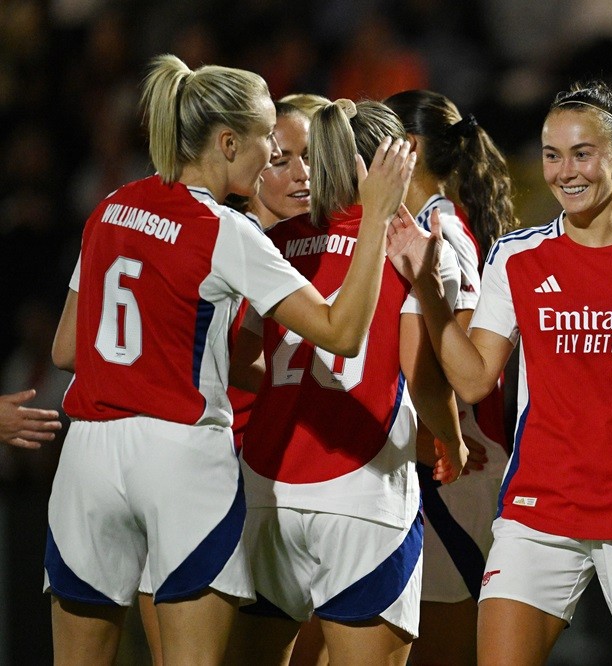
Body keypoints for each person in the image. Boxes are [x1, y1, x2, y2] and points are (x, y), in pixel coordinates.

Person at [45, 54, 421, 665]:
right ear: (226, 142)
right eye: (268, 136)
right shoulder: (226, 229)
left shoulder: (109, 205)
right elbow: (343, 332)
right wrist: (376, 215)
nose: (274, 149)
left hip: (86, 455)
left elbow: (67, 349)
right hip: (180, 454)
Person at [391, 80, 612, 665]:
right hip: (540, 509)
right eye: (552, 155)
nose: (565, 172)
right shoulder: (516, 255)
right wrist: (431, 295)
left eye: (582, 153)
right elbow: (475, 378)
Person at [224, 98, 469, 666]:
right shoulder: (416, 243)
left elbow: (242, 355)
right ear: (397, 163)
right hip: (363, 490)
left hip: (268, 487)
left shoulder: (277, 242)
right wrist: (451, 440)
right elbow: (421, 374)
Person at [135, 97, 323, 666]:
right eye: (282, 156)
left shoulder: (321, 244)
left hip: (283, 486)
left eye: (312, 157)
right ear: (243, 155)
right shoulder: (221, 235)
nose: (300, 173)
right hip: (207, 471)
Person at [383, 89, 516, 666]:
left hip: (448, 471)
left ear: (407, 148)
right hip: (427, 459)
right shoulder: (406, 225)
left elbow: (442, 367)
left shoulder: (445, 232)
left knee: (441, 650)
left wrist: (446, 438)